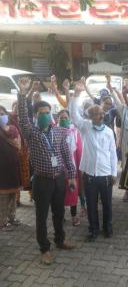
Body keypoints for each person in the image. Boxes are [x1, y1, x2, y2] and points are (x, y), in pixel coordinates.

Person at [17, 78, 77, 265]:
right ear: (36, 116)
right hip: (42, 182)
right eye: (41, 113)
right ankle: (44, 248)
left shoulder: (59, 131)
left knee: (59, 213)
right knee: (41, 216)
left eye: (47, 112)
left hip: (59, 179)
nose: (45, 115)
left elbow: (67, 155)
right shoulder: (31, 132)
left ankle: (60, 240)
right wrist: (22, 93)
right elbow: (22, 117)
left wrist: (72, 177)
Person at [69, 81, 118, 242]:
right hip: (89, 175)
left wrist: (113, 173)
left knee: (107, 205)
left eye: (101, 115)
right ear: (91, 117)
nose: (100, 116)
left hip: (105, 175)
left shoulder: (109, 132)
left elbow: (112, 154)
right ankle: (93, 230)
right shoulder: (85, 127)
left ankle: (108, 228)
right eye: (96, 114)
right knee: (91, 205)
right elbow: (74, 115)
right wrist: (76, 95)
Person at [57, 109, 83, 226]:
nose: (63, 120)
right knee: (59, 193)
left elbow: (79, 151)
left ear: (70, 119)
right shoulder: (54, 131)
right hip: (58, 169)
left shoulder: (75, 132)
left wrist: (79, 168)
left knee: (72, 191)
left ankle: (74, 216)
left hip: (72, 168)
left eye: (65, 118)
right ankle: (60, 216)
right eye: (61, 118)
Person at [0, 105, 21, 231]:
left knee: (13, 194)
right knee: (2, 196)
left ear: (6, 115)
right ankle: (2, 221)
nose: (0, 116)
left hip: (13, 166)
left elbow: (18, 145)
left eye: (2, 113)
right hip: (1, 169)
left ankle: (12, 217)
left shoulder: (13, 129)